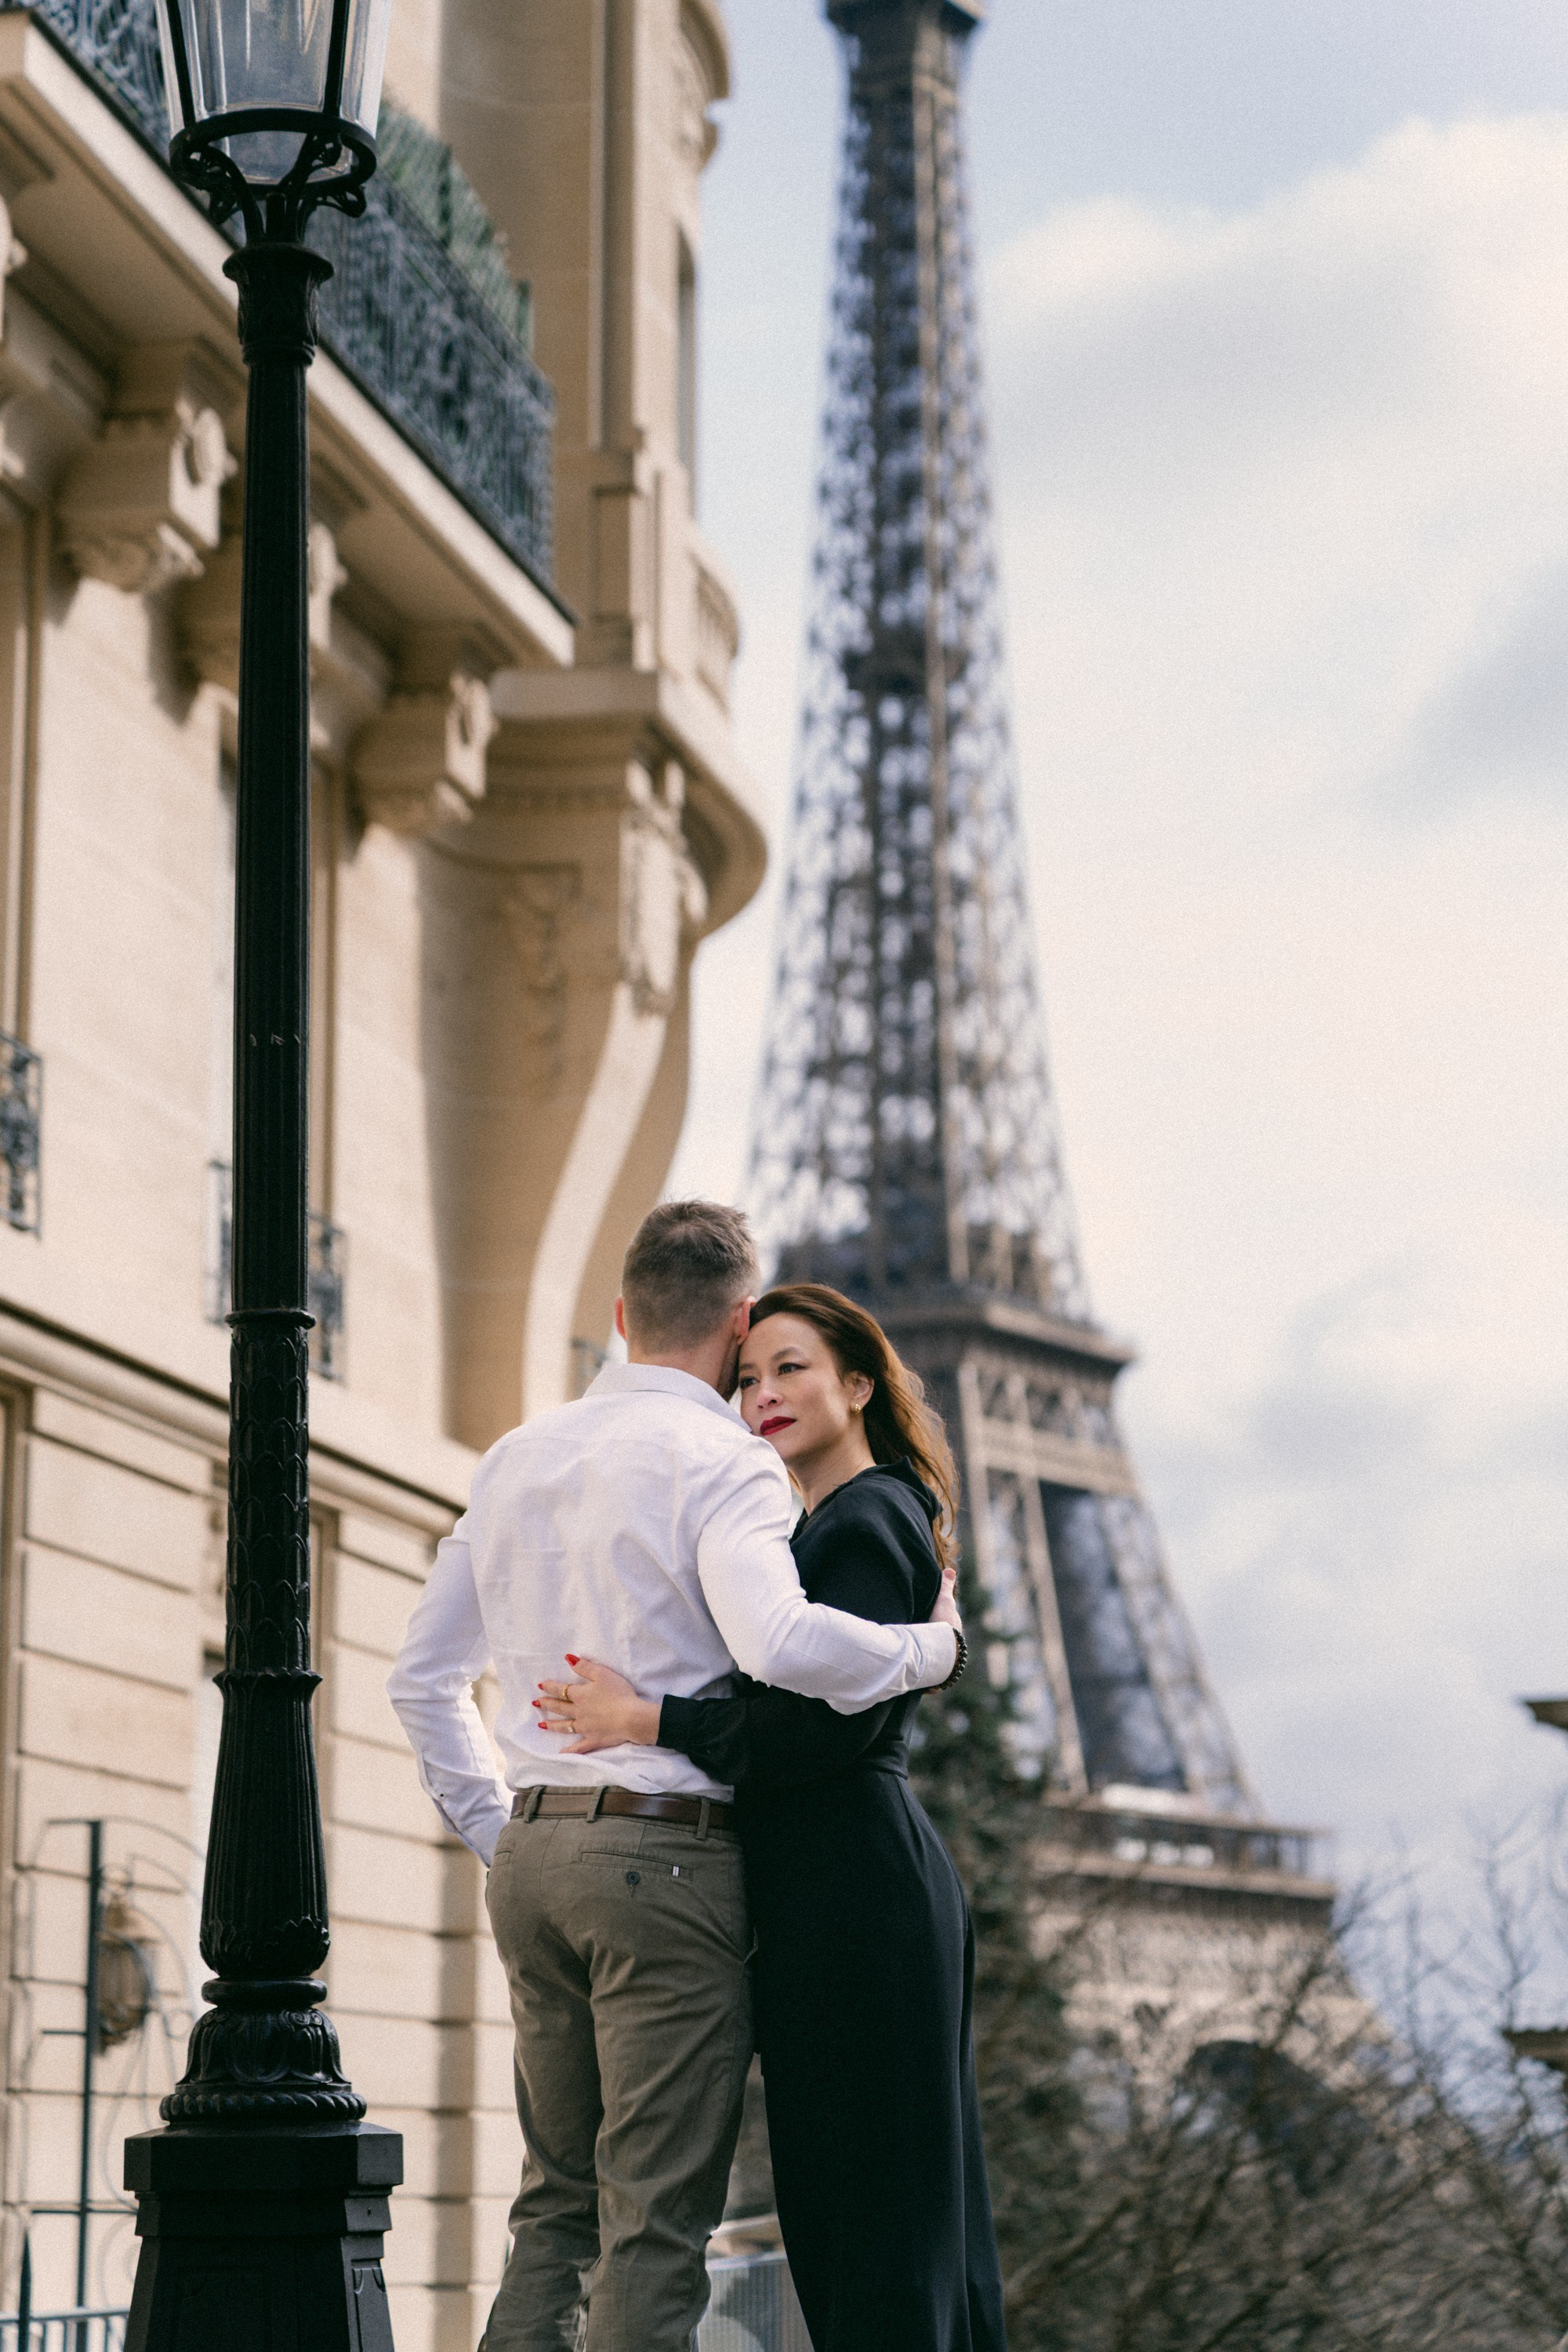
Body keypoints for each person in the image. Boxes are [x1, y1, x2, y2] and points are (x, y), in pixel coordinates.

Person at [386, 1206, 964, 2352]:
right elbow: (783, 1646)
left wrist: (506, 1834)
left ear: (620, 1315)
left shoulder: (517, 1457)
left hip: (534, 1857)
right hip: (663, 1862)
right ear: (741, 1323)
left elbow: (421, 1681)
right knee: (652, 2222)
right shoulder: (726, 1460)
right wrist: (928, 1652)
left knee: (555, 2206)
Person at [537, 1282, 1007, 2352]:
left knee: (871, 2213)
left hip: (857, 1892)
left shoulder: (866, 1519)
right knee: (869, 2208)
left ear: (859, 1383)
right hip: (839, 1886)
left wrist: (646, 1716)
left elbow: (816, 1730)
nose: (763, 1396)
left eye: (791, 1369)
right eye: (747, 1379)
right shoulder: (836, 1521)